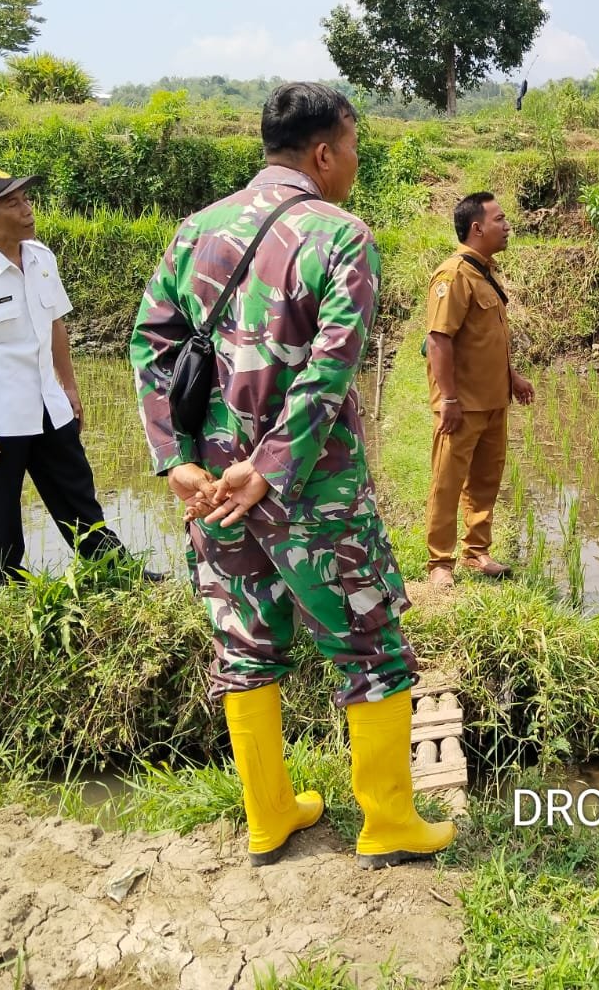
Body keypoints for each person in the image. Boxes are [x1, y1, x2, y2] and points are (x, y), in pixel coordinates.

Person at [129, 83, 454, 869]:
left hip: (213, 489)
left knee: (245, 647)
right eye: (352, 149)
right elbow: (328, 373)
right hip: (312, 491)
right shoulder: (342, 236)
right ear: (322, 152)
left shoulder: (196, 231)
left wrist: (177, 460)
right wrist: (271, 471)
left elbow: (150, 345)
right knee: (371, 647)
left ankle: (269, 815)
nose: (352, 165)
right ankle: (386, 822)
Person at [0, 169, 148, 587]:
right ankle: (10, 588)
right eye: (12, 203)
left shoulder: (42, 258)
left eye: (25, 198)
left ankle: (116, 574)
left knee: (78, 496)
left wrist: (68, 387)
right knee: (1, 512)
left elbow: (56, 327)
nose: (26, 208)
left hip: (48, 406)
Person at [423, 192, 534, 591]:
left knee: (486, 480)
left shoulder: (485, 272)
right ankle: (440, 562)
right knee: (448, 482)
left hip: (492, 401)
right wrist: (448, 398)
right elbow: (439, 340)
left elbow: (488, 338)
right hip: (462, 405)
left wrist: (513, 377)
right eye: (500, 219)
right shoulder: (453, 276)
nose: (507, 227)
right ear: (477, 228)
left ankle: (476, 551)